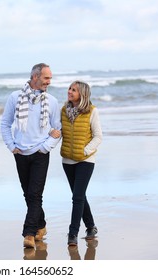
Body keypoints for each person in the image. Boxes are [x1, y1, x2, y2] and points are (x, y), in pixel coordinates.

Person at [0, 63, 61, 248]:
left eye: (50, 78)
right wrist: (11, 146)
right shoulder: (15, 97)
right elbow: (5, 123)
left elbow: (58, 128)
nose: (49, 81)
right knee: (28, 194)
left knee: (35, 194)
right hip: (20, 152)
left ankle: (29, 233)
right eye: (46, 78)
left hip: (40, 153)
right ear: (35, 77)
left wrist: (46, 147)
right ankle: (41, 225)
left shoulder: (51, 101)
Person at [52, 80, 102, 246]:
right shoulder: (64, 111)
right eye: (69, 88)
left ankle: (72, 233)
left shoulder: (92, 112)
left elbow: (98, 136)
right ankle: (91, 227)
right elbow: (58, 131)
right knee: (79, 196)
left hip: (86, 161)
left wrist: (85, 151)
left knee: (77, 197)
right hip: (67, 160)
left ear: (82, 94)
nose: (70, 91)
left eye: (74, 90)